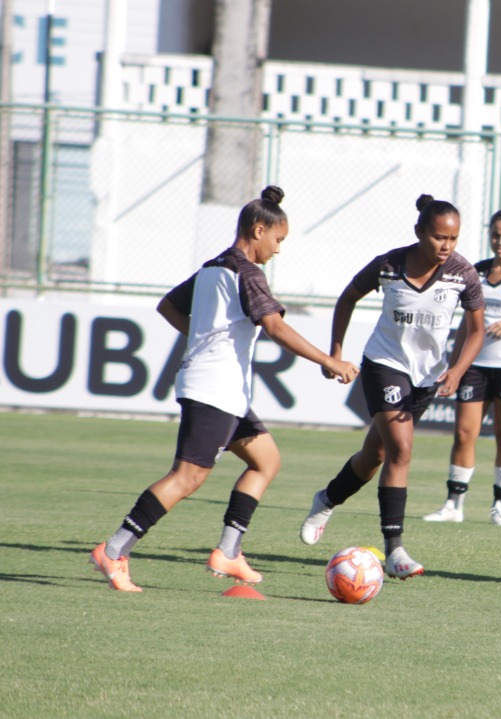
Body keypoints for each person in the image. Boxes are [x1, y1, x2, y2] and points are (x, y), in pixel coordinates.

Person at [90, 186, 361, 592]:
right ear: (258, 229)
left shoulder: (212, 267)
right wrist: (329, 361)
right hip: (212, 389)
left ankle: (228, 553)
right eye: (278, 240)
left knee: (265, 461)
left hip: (225, 391)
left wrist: (203, 334)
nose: (279, 250)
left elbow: (168, 305)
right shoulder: (247, 272)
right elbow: (275, 327)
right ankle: (113, 551)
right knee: (186, 478)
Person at [298, 194, 485, 580]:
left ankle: (327, 498)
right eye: (438, 238)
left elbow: (477, 330)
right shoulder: (388, 265)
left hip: (427, 376)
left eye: (452, 239)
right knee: (401, 449)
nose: (446, 246)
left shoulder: (462, 273)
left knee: (376, 455)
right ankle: (395, 549)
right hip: (384, 365)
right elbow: (348, 296)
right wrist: (335, 350)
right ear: (419, 232)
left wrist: (456, 369)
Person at [423, 210, 501, 527]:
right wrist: (454, 368)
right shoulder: (475, 272)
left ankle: (500, 505)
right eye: (496, 235)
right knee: (465, 433)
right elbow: (467, 325)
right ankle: (454, 504)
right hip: (475, 366)